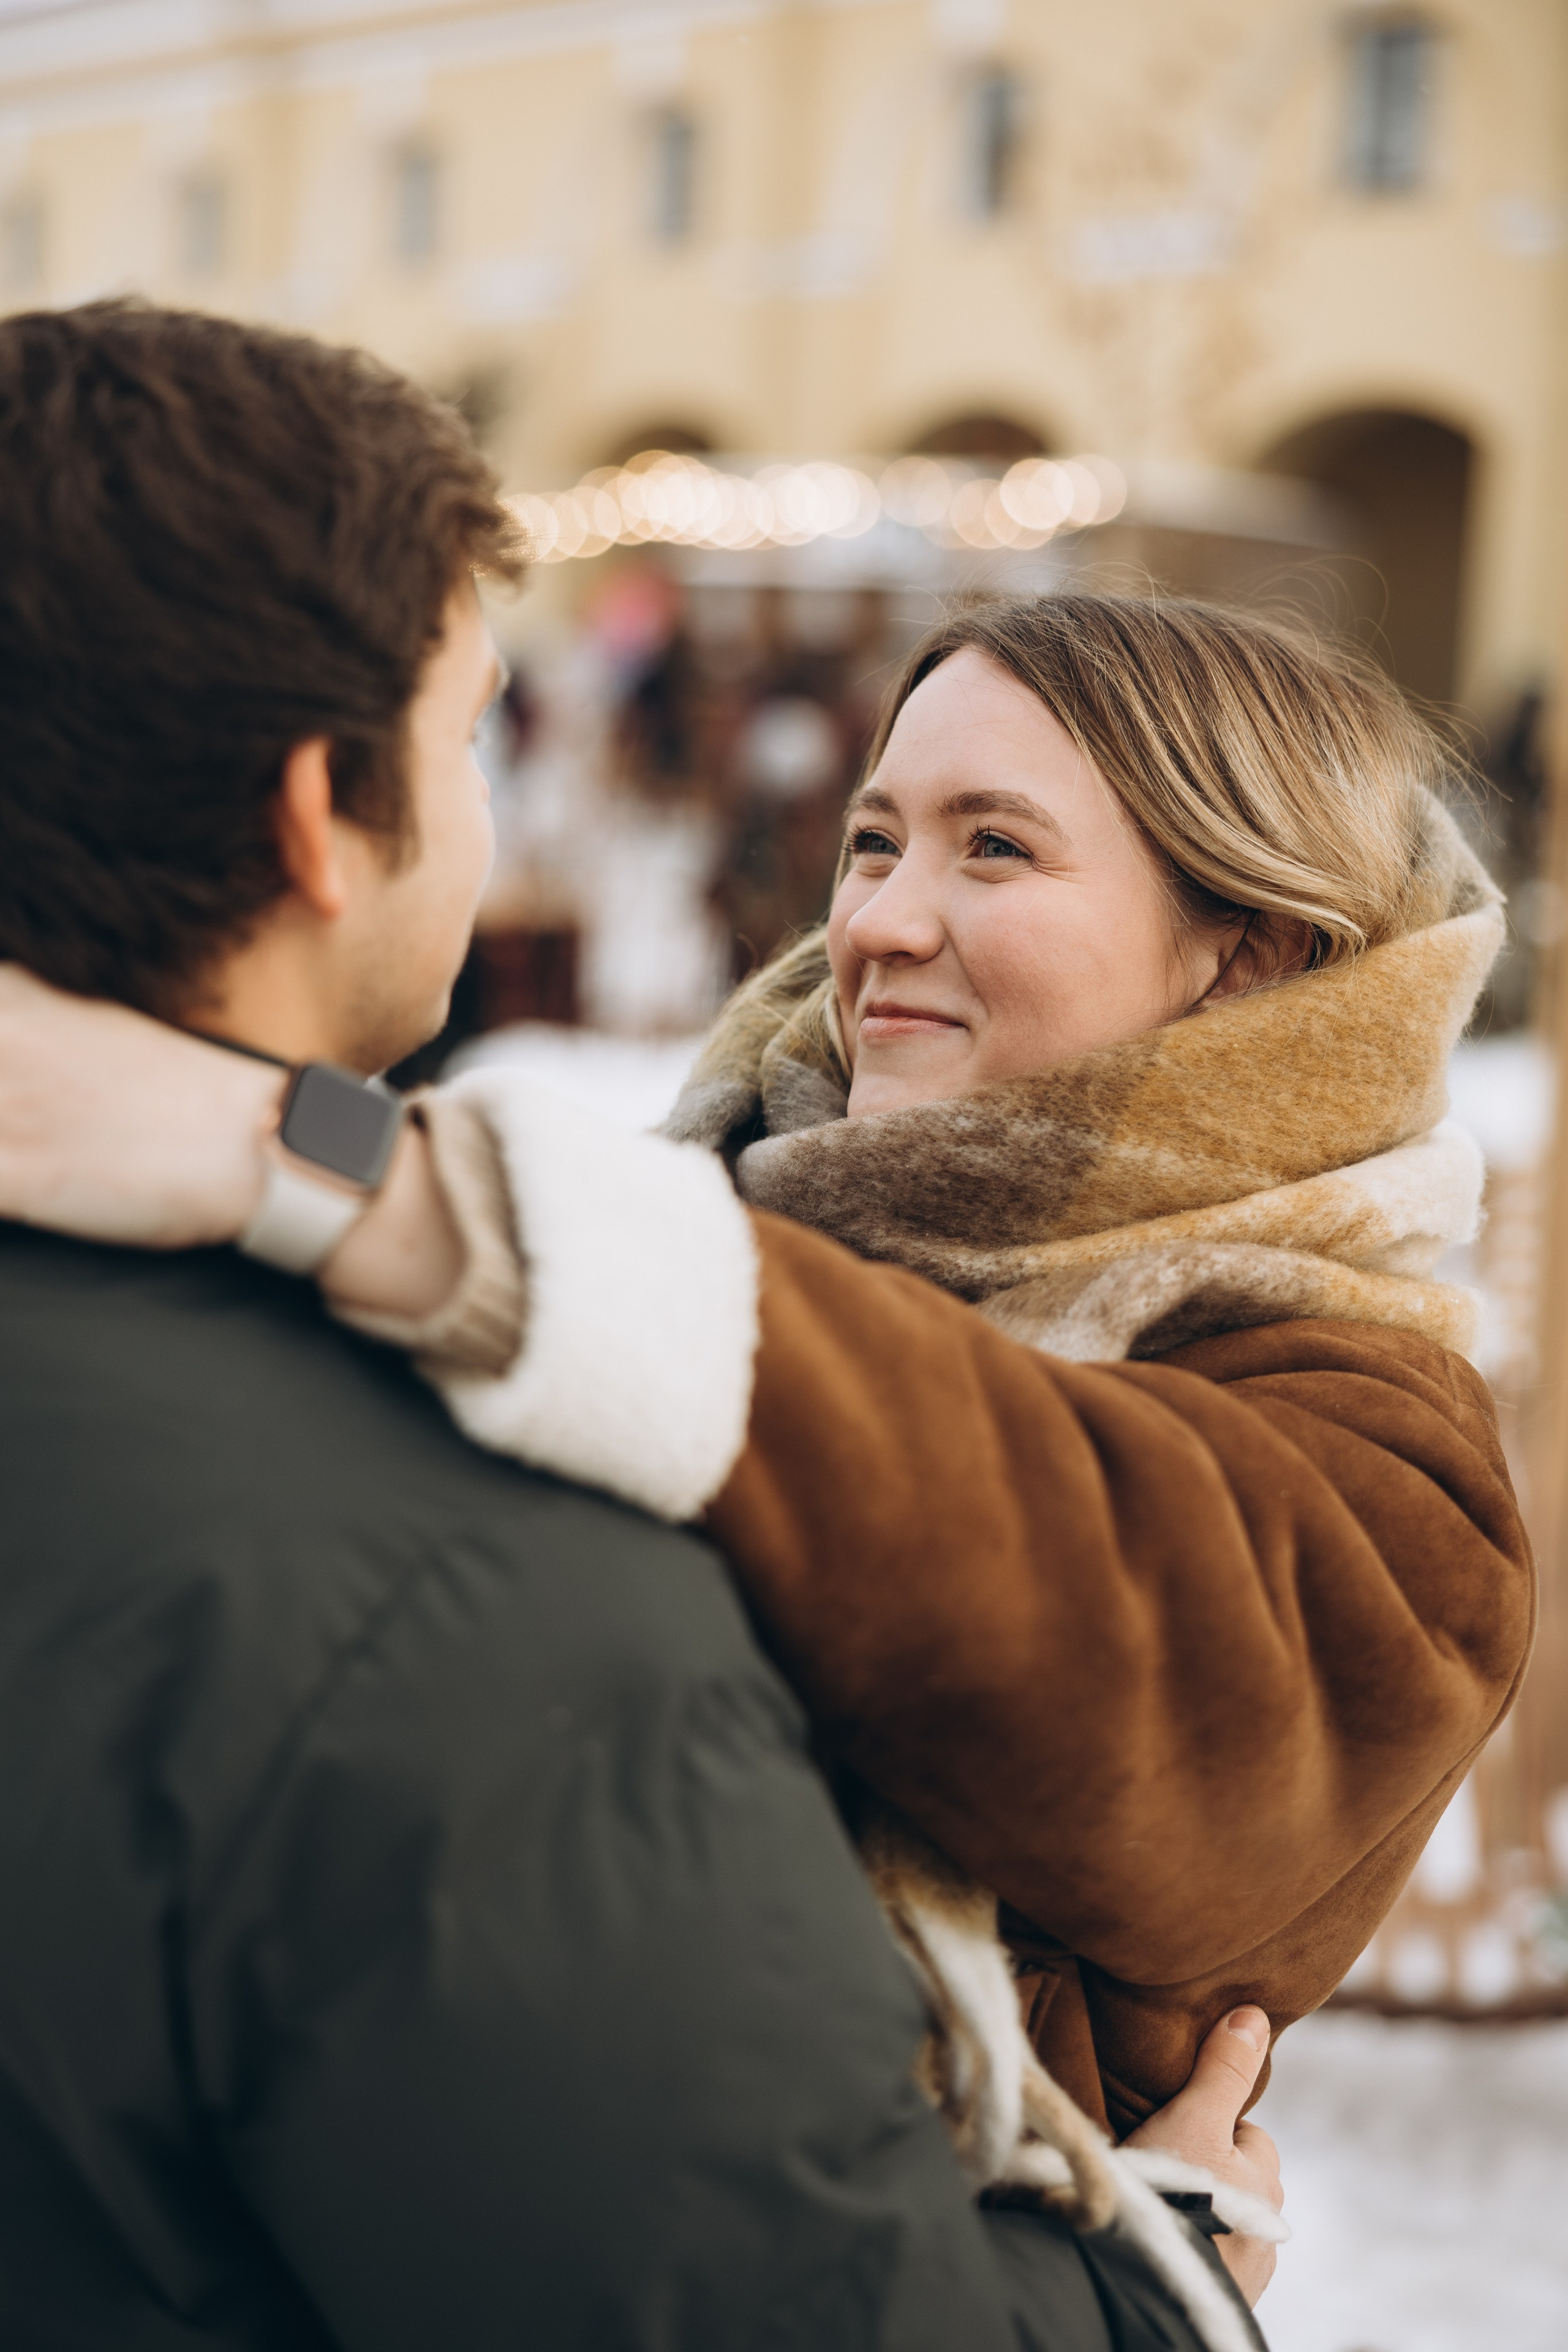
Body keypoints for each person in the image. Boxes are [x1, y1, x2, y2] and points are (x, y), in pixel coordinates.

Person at [0, 300, 1279, 2352]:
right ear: (326, 814)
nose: (878, 921)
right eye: (472, 730)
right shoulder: (464, 1584)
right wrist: (1167, 2279)